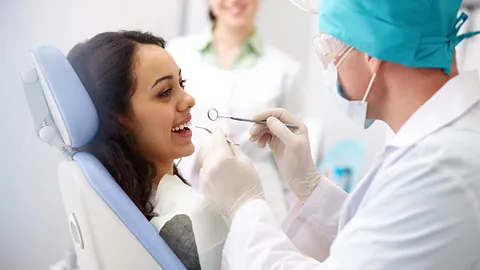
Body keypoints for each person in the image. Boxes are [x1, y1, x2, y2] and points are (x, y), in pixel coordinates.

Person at [198, 0, 480, 269]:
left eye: (328, 50)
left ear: (372, 51)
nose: (326, 68)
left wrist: (244, 206)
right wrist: (310, 186)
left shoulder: (437, 167)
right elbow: (374, 244)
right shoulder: (443, 144)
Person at [67, 31, 230, 270]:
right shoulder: (197, 216)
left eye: (181, 83)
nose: (189, 99)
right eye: (164, 92)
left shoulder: (113, 210)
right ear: (119, 118)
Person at [167, 0, 303, 220]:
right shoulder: (175, 55)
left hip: (262, 201)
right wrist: (198, 155)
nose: (234, 1)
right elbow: (157, 131)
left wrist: (299, 222)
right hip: (188, 188)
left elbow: (291, 158)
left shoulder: (285, 71)